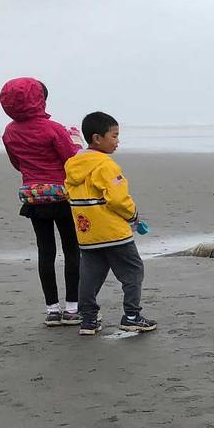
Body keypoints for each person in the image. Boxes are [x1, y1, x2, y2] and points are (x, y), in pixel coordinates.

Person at [64, 111, 157, 336]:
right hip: (113, 232)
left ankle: (88, 319)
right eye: (114, 136)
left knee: (90, 276)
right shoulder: (106, 165)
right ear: (97, 138)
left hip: (87, 232)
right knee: (133, 270)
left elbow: (68, 193)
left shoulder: (73, 165)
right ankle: (132, 316)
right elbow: (117, 199)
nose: (117, 141)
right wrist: (133, 216)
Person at [0, 77, 82, 327]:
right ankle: (72, 308)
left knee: (45, 252)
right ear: (40, 99)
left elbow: (17, 164)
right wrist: (76, 141)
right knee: (71, 249)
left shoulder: (10, 131)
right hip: (62, 195)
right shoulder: (53, 129)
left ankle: (52, 310)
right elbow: (71, 160)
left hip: (34, 197)